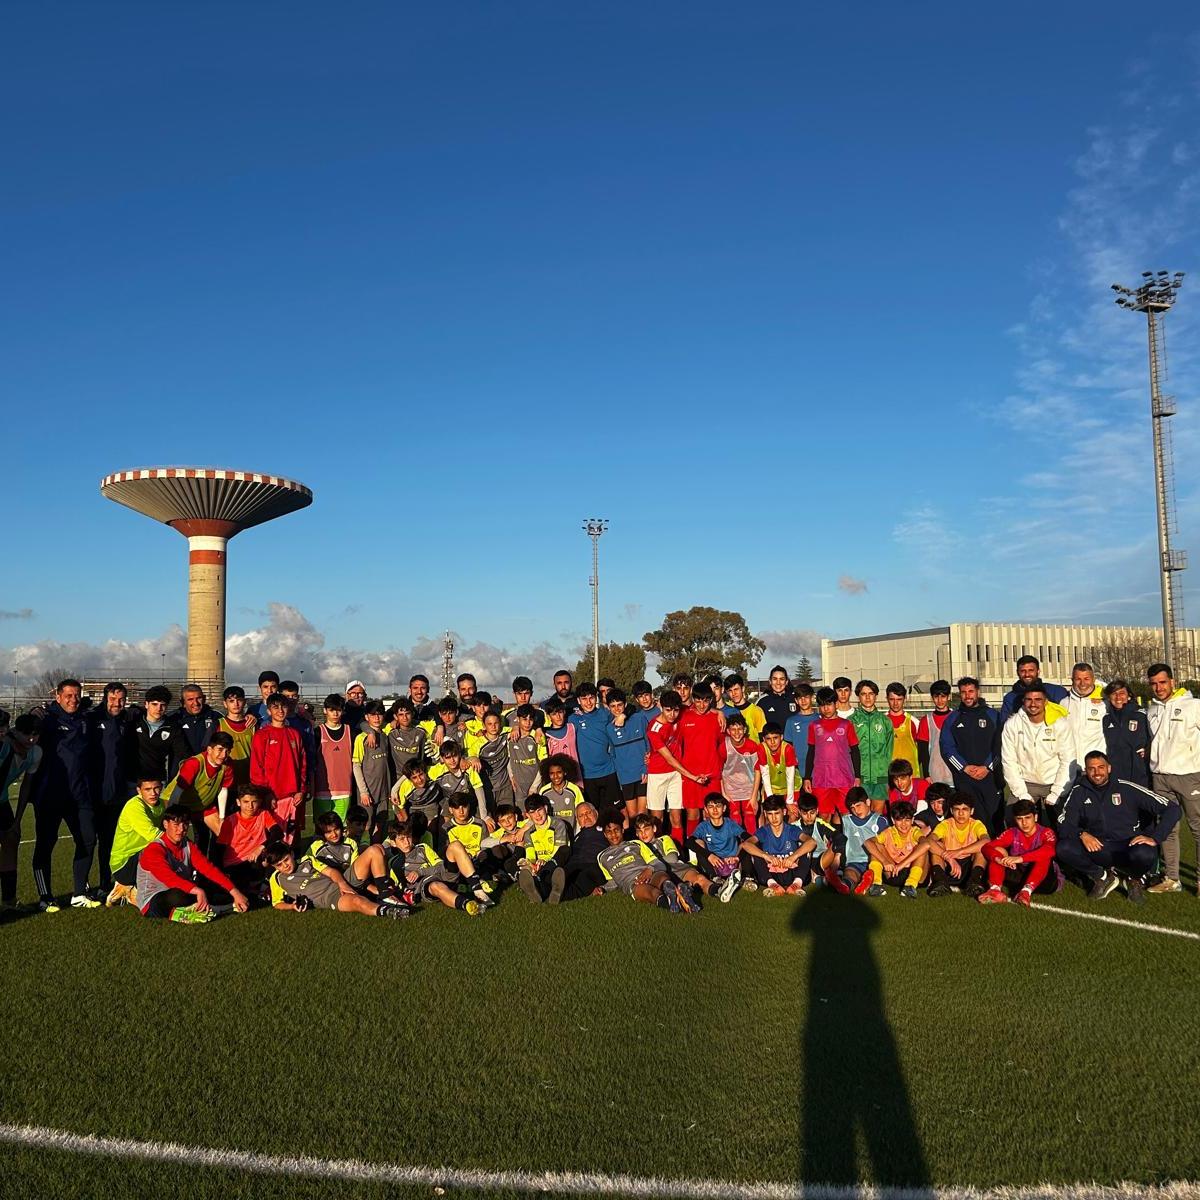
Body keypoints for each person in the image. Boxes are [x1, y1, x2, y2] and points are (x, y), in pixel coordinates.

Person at [1056, 750, 1180, 905]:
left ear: (1109, 768)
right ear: (1086, 770)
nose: (1097, 773)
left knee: (1146, 853)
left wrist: (1155, 837)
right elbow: (1063, 823)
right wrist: (1082, 834)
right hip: (1098, 847)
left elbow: (1173, 809)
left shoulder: (1127, 788)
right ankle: (1103, 877)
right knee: (1064, 848)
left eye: (1101, 767)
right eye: (1091, 769)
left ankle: (1133, 880)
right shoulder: (1079, 792)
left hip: (1127, 846)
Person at [33, 678, 100, 911]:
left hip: (80, 796)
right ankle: (45, 896)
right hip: (50, 796)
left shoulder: (85, 719)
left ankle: (79, 892)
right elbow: (25, 732)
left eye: (76, 695)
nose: (73, 700)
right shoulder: (47, 720)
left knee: (87, 840)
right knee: (45, 844)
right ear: (58, 697)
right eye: (68, 695)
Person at [137, 803, 249, 922]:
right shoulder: (154, 849)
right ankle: (213, 908)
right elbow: (169, 879)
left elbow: (208, 869)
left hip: (185, 889)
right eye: (176, 824)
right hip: (154, 902)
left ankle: (196, 909)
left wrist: (235, 892)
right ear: (165, 824)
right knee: (178, 896)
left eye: (185, 824)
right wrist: (198, 891)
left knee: (220, 884)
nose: (181, 829)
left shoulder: (187, 845)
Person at [1144, 662, 1200, 895]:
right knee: (1167, 829)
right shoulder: (1152, 709)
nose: (1158, 688)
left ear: (1173, 682)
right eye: (1154, 684)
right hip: (1160, 778)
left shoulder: (1194, 706)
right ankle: (1172, 878)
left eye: (1162, 682)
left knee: (1197, 828)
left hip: (1189, 776)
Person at [264, 839, 409, 918]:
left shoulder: (307, 860)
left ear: (291, 854)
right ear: (274, 867)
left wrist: (342, 883)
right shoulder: (276, 879)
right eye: (279, 865)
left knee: (374, 850)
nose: (285, 865)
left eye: (286, 860)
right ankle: (389, 911)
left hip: (342, 881)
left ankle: (386, 895)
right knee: (357, 901)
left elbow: (331, 872)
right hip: (331, 897)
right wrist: (292, 906)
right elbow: (277, 903)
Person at [999, 683, 1073, 821]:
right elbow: (1009, 761)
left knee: (1062, 822)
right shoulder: (1012, 724)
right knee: (1012, 816)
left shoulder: (1060, 724)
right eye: (1029, 699)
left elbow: (1067, 760)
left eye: (1038, 699)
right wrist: (1022, 794)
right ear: (1023, 701)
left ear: (1045, 702)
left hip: (1053, 782)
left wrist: (1056, 792)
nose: (1033, 704)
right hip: (1026, 783)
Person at [940, 676, 1002, 834]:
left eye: (971, 691)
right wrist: (964, 767)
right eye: (963, 692)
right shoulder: (953, 719)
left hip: (990, 777)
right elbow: (947, 748)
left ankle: (997, 854)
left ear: (978, 692)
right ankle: (976, 854)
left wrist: (988, 767)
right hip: (965, 779)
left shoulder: (993, 716)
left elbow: (1001, 745)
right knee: (973, 820)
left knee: (995, 819)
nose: (967, 696)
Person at [85, 681, 131, 896]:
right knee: (86, 841)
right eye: (113, 699)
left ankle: (105, 884)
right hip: (92, 792)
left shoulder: (128, 719)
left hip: (116, 793)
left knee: (108, 842)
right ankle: (82, 885)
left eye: (121, 699)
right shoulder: (92, 718)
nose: (117, 703)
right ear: (105, 698)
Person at [382, 820, 483, 915]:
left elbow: (441, 866)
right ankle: (468, 905)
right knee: (435, 886)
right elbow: (396, 887)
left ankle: (479, 891)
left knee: (455, 845)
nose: (407, 842)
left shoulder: (422, 848)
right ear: (393, 843)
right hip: (427, 886)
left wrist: (419, 872)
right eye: (402, 839)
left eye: (408, 837)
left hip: (444, 876)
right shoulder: (394, 863)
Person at [596, 814, 694, 912]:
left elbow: (659, 864)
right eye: (609, 832)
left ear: (622, 830)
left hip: (650, 874)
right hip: (634, 883)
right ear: (604, 834)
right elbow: (613, 881)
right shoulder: (602, 857)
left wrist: (649, 869)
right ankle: (675, 899)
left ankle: (670, 890)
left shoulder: (636, 844)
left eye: (616, 830)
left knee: (662, 877)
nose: (613, 834)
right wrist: (602, 888)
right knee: (651, 892)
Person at [977, 798, 1061, 907]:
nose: (1024, 822)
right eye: (1019, 819)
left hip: (1043, 880)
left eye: (1027, 817)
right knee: (998, 851)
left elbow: (1049, 850)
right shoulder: (1012, 832)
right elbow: (987, 847)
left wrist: (1020, 858)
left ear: (1035, 817)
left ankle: (1026, 892)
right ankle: (995, 890)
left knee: (1043, 856)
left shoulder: (1046, 832)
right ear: (1015, 820)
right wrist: (997, 858)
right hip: (1018, 874)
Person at [249, 693, 308, 845]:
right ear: (268, 711)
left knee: (293, 839)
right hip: (272, 798)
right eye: (275, 707)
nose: (280, 710)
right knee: (271, 840)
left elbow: (302, 765)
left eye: (283, 707)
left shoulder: (294, 734)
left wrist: (301, 790)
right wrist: (267, 794)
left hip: (293, 798)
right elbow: (256, 769)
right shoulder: (262, 736)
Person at [160, 731, 236, 841]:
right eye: (220, 749)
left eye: (227, 751)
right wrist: (173, 815)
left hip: (203, 806)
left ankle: (223, 858)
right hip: (176, 803)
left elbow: (223, 789)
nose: (224, 755)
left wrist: (222, 817)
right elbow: (177, 792)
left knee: (224, 834)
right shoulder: (194, 763)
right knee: (176, 837)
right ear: (209, 749)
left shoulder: (227, 765)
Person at [0, 714, 42, 907]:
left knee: (11, 843)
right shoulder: (5, 745)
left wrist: (17, 820)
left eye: (35, 735)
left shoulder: (35, 753)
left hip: (2, 801)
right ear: (16, 732)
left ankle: (9, 900)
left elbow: (26, 786)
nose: (31, 739)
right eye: (27, 734)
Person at [308, 810, 397, 899]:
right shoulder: (316, 846)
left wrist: (369, 886)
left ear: (341, 828)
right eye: (328, 832)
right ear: (322, 833)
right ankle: (382, 890)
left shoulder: (350, 843)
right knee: (374, 849)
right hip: (329, 883)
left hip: (349, 880)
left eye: (336, 829)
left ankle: (384, 889)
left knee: (375, 849)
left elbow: (357, 869)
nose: (334, 834)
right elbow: (306, 863)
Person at [105, 777, 164, 906]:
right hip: (124, 865)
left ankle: (127, 888)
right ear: (139, 790)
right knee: (160, 849)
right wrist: (185, 846)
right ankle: (127, 884)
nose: (153, 793)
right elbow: (153, 835)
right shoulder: (134, 806)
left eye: (156, 788)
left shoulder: (162, 804)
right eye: (147, 789)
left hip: (141, 859)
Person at [804, 686, 861, 818]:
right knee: (823, 815)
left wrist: (857, 775)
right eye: (822, 705)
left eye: (829, 704)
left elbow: (855, 751)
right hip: (821, 779)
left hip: (844, 778)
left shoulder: (846, 725)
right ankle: (823, 839)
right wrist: (807, 777)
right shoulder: (814, 725)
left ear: (836, 704)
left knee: (847, 814)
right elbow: (811, 752)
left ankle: (847, 839)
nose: (826, 708)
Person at [675, 681, 723, 836]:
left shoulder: (717, 718)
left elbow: (723, 747)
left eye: (706, 701)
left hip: (712, 776)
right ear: (693, 699)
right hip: (690, 776)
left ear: (711, 700)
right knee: (692, 815)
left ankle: (714, 849)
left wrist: (717, 770)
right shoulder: (683, 716)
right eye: (698, 700)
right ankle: (693, 853)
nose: (702, 705)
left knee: (713, 815)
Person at [216, 783, 281, 896]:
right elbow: (219, 849)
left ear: (259, 802)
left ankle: (262, 886)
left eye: (254, 802)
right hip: (235, 864)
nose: (250, 806)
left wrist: (260, 847)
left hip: (256, 859)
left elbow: (278, 833)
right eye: (246, 802)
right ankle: (259, 887)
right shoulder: (230, 821)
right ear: (238, 802)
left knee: (278, 851)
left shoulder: (263, 814)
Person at [633, 812, 714, 902]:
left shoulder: (665, 839)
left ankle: (718, 891)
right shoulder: (637, 846)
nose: (643, 834)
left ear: (654, 828)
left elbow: (673, 858)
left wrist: (652, 866)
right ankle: (685, 891)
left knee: (700, 879)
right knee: (666, 883)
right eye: (639, 831)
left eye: (646, 829)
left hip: (677, 867)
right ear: (636, 834)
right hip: (658, 873)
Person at [741, 796, 813, 895]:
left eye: (777, 813)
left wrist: (794, 856)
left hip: (792, 873)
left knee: (807, 849)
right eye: (770, 814)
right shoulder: (763, 831)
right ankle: (773, 885)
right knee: (754, 850)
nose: (774, 818)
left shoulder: (792, 829)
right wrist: (765, 855)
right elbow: (746, 844)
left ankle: (796, 885)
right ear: (765, 814)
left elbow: (811, 842)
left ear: (784, 812)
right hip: (771, 874)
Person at [645, 690, 690, 846]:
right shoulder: (654, 728)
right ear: (661, 707)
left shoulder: (681, 714)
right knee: (657, 820)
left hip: (676, 775)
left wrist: (717, 712)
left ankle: (679, 851)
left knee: (676, 818)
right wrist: (691, 775)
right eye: (668, 710)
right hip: (657, 774)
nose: (672, 714)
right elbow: (670, 759)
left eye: (676, 710)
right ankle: (658, 852)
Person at [923, 793, 989, 898]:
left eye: (965, 809)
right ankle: (940, 882)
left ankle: (975, 882)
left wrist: (959, 851)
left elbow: (986, 841)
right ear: (951, 811)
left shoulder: (976, 824)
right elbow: (929, 841)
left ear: (971, 811)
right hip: (949, 867)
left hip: (969, 868)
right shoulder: (946, 824)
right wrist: (949, 858)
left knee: (982, 849)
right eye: (957, 809)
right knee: (937, 845)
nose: (961, 813)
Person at [567, 683, 621, 812]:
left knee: (616, 810)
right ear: (579, 701)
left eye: (591, 698)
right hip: (587, 775)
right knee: (594, 811)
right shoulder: (573, 719)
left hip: (608, 770)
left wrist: (622, 715)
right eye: (584, 699)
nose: (588, 702)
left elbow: (623, 712)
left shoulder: (605, 714)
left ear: (596, 698)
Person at [125, 685, 188, 795]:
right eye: (154, 704)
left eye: (162, 705)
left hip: (157, 782)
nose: (159, 708)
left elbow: (183, 754)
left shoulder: (173, 728)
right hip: (133, 781)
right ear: (146, 704)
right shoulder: (133, 722)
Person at [689, 793, 748, 902]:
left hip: (732, 862)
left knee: (747, 845)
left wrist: (737, 857)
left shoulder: (730, 824)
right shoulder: (703, 826)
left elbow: (748, 838)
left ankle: (748, 877)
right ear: (706, 810)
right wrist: (709, 855)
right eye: (711, 807)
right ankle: (715, 877)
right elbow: (690, 842)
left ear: (724, 808)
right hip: (715, 864)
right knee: (698, 842)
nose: (715, 810)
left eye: (718, 806)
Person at [863, 800, 928, 898]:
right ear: (893, 820)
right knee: (876, 845)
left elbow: (926, 844)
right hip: (893, 872)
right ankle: (876, 884)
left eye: (907, 820)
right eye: (899, 820)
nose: (903, 824)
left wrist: (902, 864)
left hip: (913, 873)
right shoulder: (888, 832)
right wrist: (885, 861)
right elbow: (867, 842)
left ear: (912, 820)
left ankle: (910, 886)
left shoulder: (915, 831)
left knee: (922, 849)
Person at [605, 687, 651, 823]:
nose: (617, 709)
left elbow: (649, 745)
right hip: (625, 777)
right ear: (608, 708)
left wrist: (646, 768)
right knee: (632, 815)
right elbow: (613, 753)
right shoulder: (609, 728)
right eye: (613, 706)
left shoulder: (639, 718)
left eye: (619, 705)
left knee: (643, 813)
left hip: (642, 773)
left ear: (625, 704)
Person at [516, 794, 570, 904]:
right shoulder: (528, 833)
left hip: (557, 861)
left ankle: (539, 885)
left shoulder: (558, 825)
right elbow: (530, 855)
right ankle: (545, 891)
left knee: (564, 851)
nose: (537, 815)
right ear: (528, 815)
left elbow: (558, 851)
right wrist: (531, 865)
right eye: (532, 812)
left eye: (539, 810)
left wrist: (546, 862)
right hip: (540, 866)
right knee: (532, 870)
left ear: (545, 808)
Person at [352, 701, 392, 838]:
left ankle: (378, 853)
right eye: (372, 715)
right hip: (368, 791)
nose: (376, 718)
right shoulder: (361, 738)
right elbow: (356, 765)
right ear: (367, 717)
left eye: (379, 714)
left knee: (381, 825)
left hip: (384, 791)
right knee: (365, 826)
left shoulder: (386, 734)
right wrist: (363, 792)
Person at [837, 787, 888, 895]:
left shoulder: (880, 820)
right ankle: (844, 885)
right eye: (852, 808)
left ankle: (868, 881)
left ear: (868, 802)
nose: (856, 810)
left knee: (873, 870)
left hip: (875, 861)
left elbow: (886, 845)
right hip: (854, 861)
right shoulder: (846, 821)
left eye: (858, 805)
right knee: (849, 874)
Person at [1102, 679, 1151, 789]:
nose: (1118, 697)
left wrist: (1148, 749)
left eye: (1122, 693)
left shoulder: (1141, 715)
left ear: (1129, 695)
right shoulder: (1106, 719)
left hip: (1139, 773)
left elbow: (1155, 737)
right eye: (1114, 694)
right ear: (1109, 697)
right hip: (1116, 773)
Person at [850, 681, 893, 805]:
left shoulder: (885, 721)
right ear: (858, 696)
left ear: (876, 696)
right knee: (861, 815)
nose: (867, 697)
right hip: (860, 777)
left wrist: (887, 775)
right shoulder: (851, 721)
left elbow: (889, 751)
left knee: (877, 815)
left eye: (871, 693)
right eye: (863, 694)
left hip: (880, 776)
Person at [1060, 662, 1107, 777]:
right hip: (1070, 768)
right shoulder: (1064, 703)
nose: (1082, 683)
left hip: (1094, 769)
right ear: (1072, 680)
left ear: (1093, 679)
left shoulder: (1105, 703)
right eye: (1078, 679)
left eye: (1086, 678)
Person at [313, 694, 354, 823]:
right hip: (322, 789)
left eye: (338, 710)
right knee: (322, 827)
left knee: (342, 828)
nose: (335, 713)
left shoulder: (350, 731)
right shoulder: (317, 732)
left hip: (344, 788)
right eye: (331, 710)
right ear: (325, 710)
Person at [719, 712, 761, 833]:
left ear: (745, 730)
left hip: (749, 788)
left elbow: (757, 771)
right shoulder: (724, 747)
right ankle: (738, 844)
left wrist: (754, 796)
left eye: (740, 729)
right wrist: (724, 793)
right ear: (728, 731)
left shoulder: (752, 746)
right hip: (731, 789)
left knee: (749, 815)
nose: (737, 733)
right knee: (735, 816)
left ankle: (753, 845)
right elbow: (719, 771)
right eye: (733, 729)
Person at [999, 655, 1069, 725]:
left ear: (1038, 671)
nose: (1027, 674)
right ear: (1017, 672)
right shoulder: (1010, 698)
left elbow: (1068, 717)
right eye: (1023, 671)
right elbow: (1004, 724)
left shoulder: (1056, 692)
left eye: (1031, 670)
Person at [563, 802, 608, 899]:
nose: (586, 817)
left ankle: (555, 894)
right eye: (581, 815)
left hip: (593, 864)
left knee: (581, 877)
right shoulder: (576, 837)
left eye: (588, 813)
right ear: (578, 821)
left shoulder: (606, 829)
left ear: (596, 813)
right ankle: (543, 887)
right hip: (574, 865)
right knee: (561, 874)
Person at [507, 704, 547, 810]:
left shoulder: (538, 737)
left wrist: (534, 787)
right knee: (522, 814)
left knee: (536, 813)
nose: (528, 723)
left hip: (535, 784)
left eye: (531, 719)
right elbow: (509, 758)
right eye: (524, 719)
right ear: (518, 719)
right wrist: (511, 776)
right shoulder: (510, 736)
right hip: (518, 786)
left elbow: (543, 764)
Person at [915, 680, 955, 785]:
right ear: (932, 698)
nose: (940, 700)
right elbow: (922, 750)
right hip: (934, 775)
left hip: (954, 775)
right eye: (936, 697)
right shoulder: (926, 721)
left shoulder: (957, 718)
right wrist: (926, 775)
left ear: (949, 697)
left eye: (943, 696)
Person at [217, 685, 255, 791]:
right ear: (225, 703)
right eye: (231, 701)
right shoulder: (218, 724)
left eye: (239, 700)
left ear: (245, 702)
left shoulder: (253, 725)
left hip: (249, 779)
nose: (236, 704)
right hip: (226, 780)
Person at [537, 755, 586, 831]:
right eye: (552, 773)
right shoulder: (544, 791)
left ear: (565, 772)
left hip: (572, 834)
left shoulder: (574, 789)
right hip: (552, 835)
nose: (555, 776)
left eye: (559, 772)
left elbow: (581, 810)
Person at [170, 684, 221, 756]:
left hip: (207, 765)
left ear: (204, 699)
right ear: (183, 702)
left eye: (199, 698)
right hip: (181, 765)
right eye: (190, 699)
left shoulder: (216, 717)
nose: (196, 703)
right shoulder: (173, 719)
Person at [884, 683, 920, 777]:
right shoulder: (881, 722)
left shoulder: (914, 722)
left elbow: (923, 750)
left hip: (910, 776)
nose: (895, 703)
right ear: (887, 699)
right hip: (889, 776)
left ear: (905, 699)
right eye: (892, 699)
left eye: (899, 699)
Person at [783, 685, 819, 779]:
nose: (803, 701)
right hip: (799, 770)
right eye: (800, 698)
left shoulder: (820, 719)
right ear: (796, 701)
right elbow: (788, 746)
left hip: (819, 770)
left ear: (812, 698)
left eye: (806, 697)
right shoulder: (791, 721)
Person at [724, 674, 765, 742]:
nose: (733, 693)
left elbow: (763, 737)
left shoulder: (756, 710)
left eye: (736, 689)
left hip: (753, 751)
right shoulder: (726, 708)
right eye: (730, 691)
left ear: (743, 689)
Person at [756, 665, 796, 731]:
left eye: (782, 679)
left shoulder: (795, 698)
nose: (778, 683)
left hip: (793, 741)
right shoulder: (762, 701)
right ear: (770, 681)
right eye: (775, 679)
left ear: (786, 682)